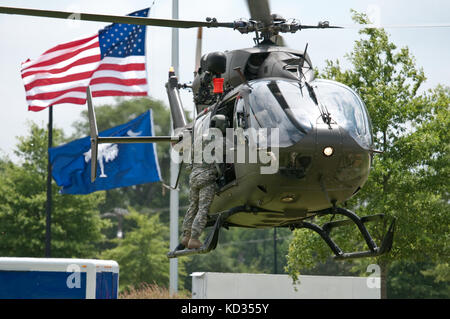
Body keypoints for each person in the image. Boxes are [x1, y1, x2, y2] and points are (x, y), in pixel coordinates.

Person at [178, 114, 228, 250]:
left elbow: (189, 161)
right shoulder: (220, 141)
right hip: (207, 178)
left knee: (192, 207)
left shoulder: (199, 139)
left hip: (194, 178)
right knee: (203, 209)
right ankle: (194, 238)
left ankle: (186, 236)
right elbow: (220, 161)